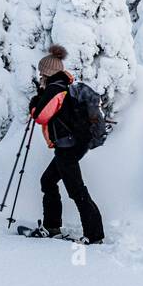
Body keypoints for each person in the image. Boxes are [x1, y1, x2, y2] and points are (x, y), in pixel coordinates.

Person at [26, 44, 105, 244]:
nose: (39, 75)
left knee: (76, 190)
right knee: (48, 181)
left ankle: (94, 235)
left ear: (46, 72)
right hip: (73, 145)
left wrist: (35, 101)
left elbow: (41, 116)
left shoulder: (55, 89)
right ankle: (52, 226)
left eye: (41, 72)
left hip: (68, 147)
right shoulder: (63, 86)